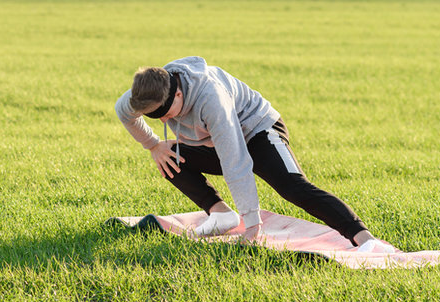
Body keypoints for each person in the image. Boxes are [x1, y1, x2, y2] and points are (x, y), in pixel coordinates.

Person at [114, 56, 395, 253]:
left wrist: (252, 223)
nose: (163, 121)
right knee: (170, 158)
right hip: (211, 142)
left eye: (164, 114)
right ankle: (220, 214)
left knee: (293, 187)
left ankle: (364, 238)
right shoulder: (147, 91)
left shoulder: (211, 99)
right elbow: (123, 112)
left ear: (176, 95)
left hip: (258, 132)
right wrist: (153, 145)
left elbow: (235, 161)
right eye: (153, 117)